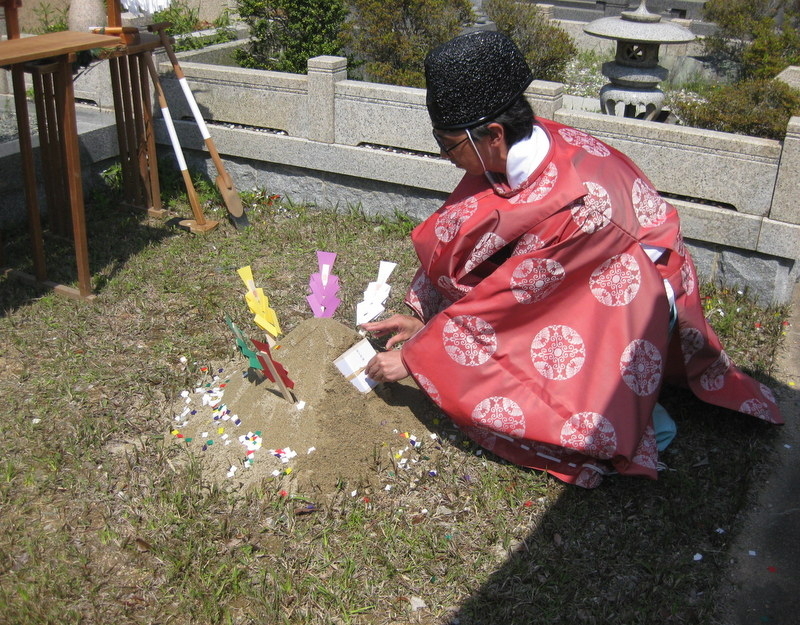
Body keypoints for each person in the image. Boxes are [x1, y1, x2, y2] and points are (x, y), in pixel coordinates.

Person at [362, 31, 783, 488]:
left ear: (494, 134)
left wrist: (418, 356)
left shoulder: (577, 208)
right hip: (584, 277)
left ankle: (633, 417)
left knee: (555, 382)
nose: (446, 157)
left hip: (626, 305)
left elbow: (512, 308)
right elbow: (465, 241)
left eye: (449, 145)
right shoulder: (538, 140)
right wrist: (422, 314)